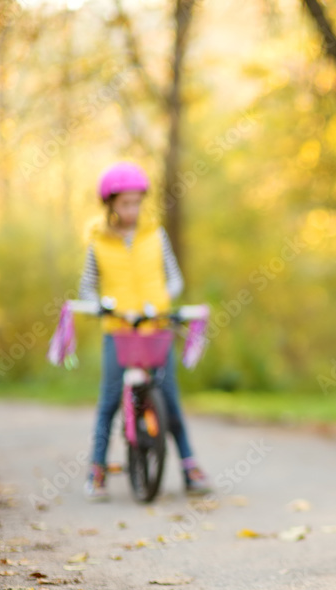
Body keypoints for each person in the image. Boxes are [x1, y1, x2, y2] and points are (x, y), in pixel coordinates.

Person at [79, 162, 210, 501]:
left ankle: (189, 466)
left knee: (169, 397)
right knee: (109, 401)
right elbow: (87, 287)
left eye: (137, 202)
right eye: (125, 203)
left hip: (155, 327)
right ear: (110, 204)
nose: (132, 210)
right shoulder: (98, 242)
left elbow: (174, 277)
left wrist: (164, 301)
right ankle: (97, 470)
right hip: (118, 330)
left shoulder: (156, 234)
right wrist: (101, 304)